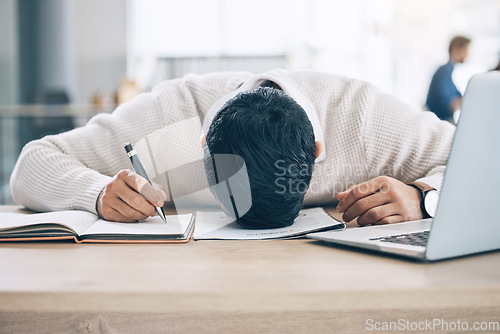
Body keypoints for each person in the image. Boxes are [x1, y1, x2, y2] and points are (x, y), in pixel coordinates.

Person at [10, 70, 455, 228]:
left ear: (319, 149)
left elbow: (484, 157)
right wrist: (97, 192)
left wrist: (423, 196)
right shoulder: (170, 116)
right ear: (202, 147)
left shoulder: (365, 116)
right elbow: (32, 163)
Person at [426, 36, 471, 122]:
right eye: (466, 50)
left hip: (443, 120)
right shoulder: (443, 72)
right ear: (456, 49)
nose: (467, 54)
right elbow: (448, 104)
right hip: (439, 121)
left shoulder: (449, 71)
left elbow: (458, 96)